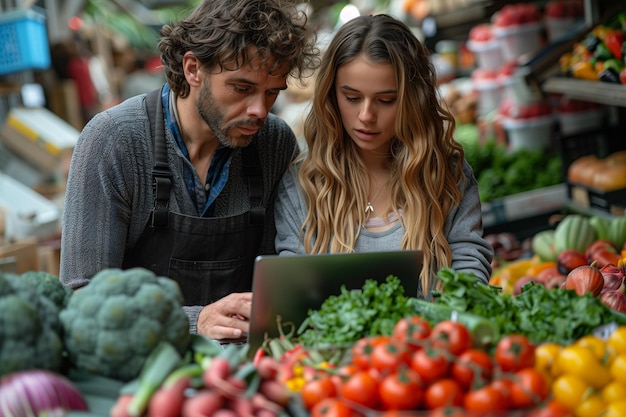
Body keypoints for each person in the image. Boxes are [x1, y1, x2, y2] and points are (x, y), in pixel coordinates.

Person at [59, 0, 319, 340]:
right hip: (139, 365)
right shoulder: (113, 140)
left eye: (271, 93)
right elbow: (83, 298)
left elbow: (277, 280)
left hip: (243, 368)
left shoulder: (273, 142)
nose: (259, 110)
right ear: (193, 68)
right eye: (242, 88)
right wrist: (196, 322)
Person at [274, 14, 493, 299]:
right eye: (352, 98)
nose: (366, 116)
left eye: (386, 100)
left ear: (412, 99)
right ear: (330, 96)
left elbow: (469, 275)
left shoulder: (445, 176)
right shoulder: (301, 186)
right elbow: (293, 297)